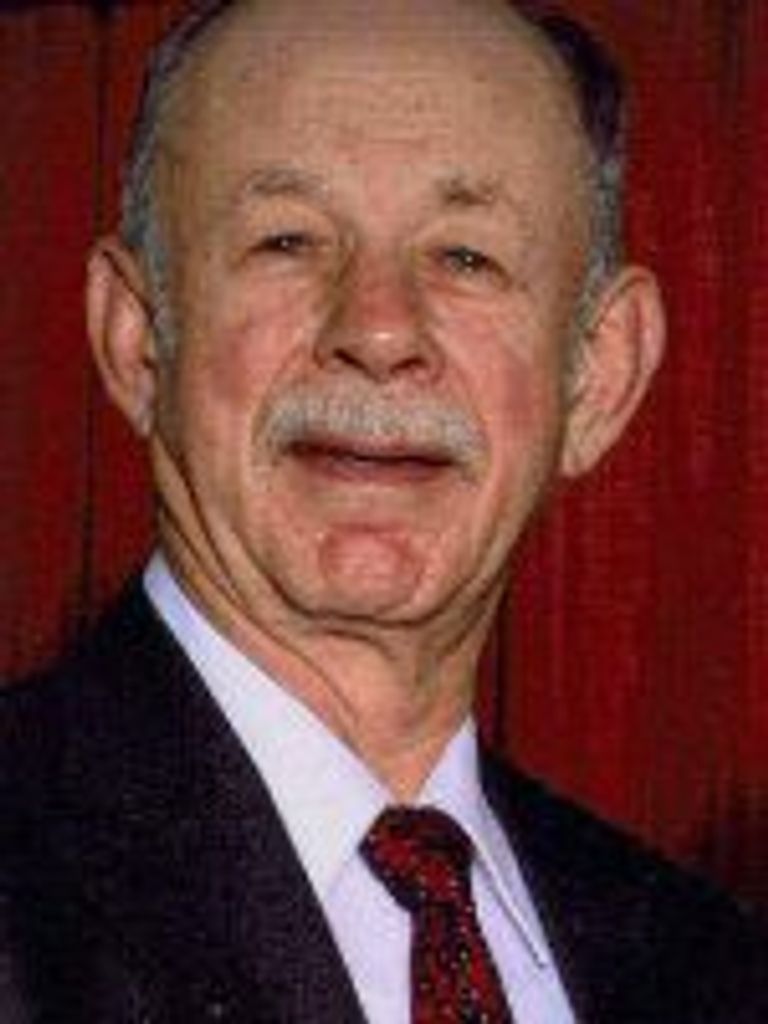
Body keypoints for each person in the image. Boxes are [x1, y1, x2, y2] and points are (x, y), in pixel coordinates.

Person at [1, 0, 766, 1020]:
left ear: (598, 376)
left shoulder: (711, 967)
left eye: (466, 257)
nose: (378, 330)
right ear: (138, 341)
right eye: (287, 241)